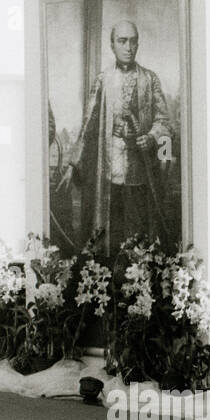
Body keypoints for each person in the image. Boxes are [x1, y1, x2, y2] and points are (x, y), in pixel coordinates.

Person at [57, 20, 173, 259]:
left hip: (141, 175)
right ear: (112, 45)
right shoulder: (103, 79)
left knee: (139, 237)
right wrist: (72, 165)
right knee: (111, 236)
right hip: (109, 174)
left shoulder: (150, 79)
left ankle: (139, 283)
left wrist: (151, 137)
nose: (128, 47)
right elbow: (88, 126)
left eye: (132, 41)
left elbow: (164, 122)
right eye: (122, 41)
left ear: (138, 43)